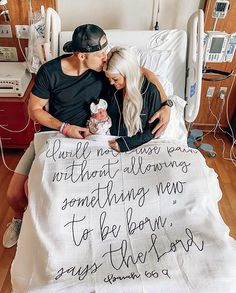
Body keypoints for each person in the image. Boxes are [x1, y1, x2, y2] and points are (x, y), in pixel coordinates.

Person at [2, 24, 172, 248]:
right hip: (54, 134)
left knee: (50, 194)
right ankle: (18, 219)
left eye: (105, 52)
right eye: (101, 54)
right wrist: (64, 127)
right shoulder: (50, 72)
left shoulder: (103, 69)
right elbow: (34, 110)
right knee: (15, 195)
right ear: (82, 55)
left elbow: (141, 72)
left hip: (89, 138)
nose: (105, 57)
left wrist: (167, 104)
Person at [104, 47, 171, 152]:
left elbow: (152, 130)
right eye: (109, 79)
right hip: (108, 143)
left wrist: (126, 144)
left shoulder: (150, 91)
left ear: (128, 74)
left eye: (115, 79)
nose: (111, 83)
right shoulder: (112, 89)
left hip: (134, 146)